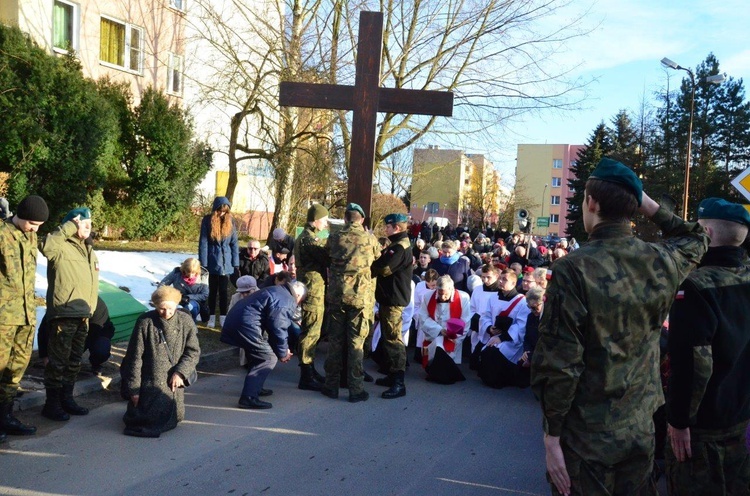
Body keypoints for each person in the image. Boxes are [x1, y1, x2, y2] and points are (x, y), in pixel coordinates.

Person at [530, 157, 709, 496]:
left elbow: (559, 363)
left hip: (587, 436)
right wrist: (644, 202)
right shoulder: (662, 260)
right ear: (632, 209)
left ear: (592, 203)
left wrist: (551, 435)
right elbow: (698, 237)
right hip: (639, 428)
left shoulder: (573, 269)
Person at [665, 198, 750, 495]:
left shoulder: (697, 286)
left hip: (702, 428)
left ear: (707, 234)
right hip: (740, 417)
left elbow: (693, 363)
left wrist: (678, 420)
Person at [40, 207, 99, 422]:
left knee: (75, 360)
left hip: (83, 314)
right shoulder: (60, 246)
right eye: (83, 223)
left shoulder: (88, 249)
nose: (88, 227)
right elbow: (45, 246)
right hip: (64, 313)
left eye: (89, 223)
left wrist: (91, 309)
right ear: (72, 224)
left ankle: (67, 398)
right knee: (59, 361)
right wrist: (68, 226)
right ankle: (51, 404)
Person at [120, 286, 200, 438]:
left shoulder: (185, 321)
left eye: (171, 308)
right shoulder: (145, 322)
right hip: (150, 380)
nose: (167, 313)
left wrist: (180, 372)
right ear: (155, 306)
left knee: (172, 416)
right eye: (162, 309)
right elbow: (134, 357)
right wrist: (134, 390)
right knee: (142, 420)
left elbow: (193, 351)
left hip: (173, 382)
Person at [321, 203, 380, 403]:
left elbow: (327, 254)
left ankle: (331, 386)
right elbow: (378, 257)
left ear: (345, 219)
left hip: (337, 296)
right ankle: (356, 389)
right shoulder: (369, 239)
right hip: (359, 298)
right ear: (361, 219)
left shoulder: (335, 236)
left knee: (335, 342)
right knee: (356, 344)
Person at [0, 195, 48, 442]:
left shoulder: (30, 236)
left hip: (26, 314)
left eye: (39, 225)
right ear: (20, 215)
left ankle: (5, 417)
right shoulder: (1, 233)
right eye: (32, 223)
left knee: (16, 369)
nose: (35, 229)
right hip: (3, 317)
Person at [220, 281, 305, 409]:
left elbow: (273, 325)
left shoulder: (277, 290)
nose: (298, 304)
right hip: (246, 326)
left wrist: (282, 348)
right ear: (298, 295)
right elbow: (278, 327)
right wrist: (283, 353)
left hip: (239, 322)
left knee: (258, 356)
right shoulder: (286, 299)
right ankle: (248, 397)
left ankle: (255, 388)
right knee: (268, 358)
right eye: (301, 301)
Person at [371, 213, 413, 399]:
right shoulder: (397, 245)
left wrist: (372, 264)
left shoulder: (399, 247)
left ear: (396, 227)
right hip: (389, 298)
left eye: (387, 227)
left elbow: (384, 268)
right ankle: (392, 374)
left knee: (394, 341)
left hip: (394, 300)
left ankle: (399, 382)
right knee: (389, 338)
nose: (385, 229)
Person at [294, 204, 329, 392]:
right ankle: (306, 375)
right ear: (315, 220)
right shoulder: (309, 239)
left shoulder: (308, 236)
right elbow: (326, 257)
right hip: (313, 290)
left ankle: (310, 370)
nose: (325, 224)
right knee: (310, 332)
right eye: (323, 220)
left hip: (314, 289)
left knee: (312, 331)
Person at [478, 269, 530, 388]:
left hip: (511, 340)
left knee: (496, 351)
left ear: (513, 283)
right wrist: (489, 328)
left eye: (504, 279)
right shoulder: (493, 298)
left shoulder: (522, 301)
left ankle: (500, 380)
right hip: (494, 335)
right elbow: (485, 315)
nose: (500, 281)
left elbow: (521, 325)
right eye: (500, 278)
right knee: (487, 350)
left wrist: (502, 338)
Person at [38, 296, 115, 377]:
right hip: (70, 329)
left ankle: (97, 363)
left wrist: (73, 358)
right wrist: (45, 356)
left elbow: (92, 335)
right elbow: (43, 330)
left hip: (98, 332)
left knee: (100, 349)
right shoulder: (61, 305)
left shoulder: (96, 304)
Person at [417, 275, 471, 384]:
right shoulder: (428, 296)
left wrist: (453, 337)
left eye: (445, 294)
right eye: (440, 294)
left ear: (452, 288)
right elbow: (423, 317)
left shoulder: (463, 297)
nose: (442, 297)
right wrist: (439, 330)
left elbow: (465, 320)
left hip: (452, 335)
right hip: (434, 333)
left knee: (445, 359)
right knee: (437, 347)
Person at [198, 196, 239, 328]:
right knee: (212, 290)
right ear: (215, 209)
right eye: (220, 210)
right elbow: (203, 243)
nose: (222, 213)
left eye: (224, 211)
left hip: (226, 263)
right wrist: (203, 263)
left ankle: (223, 317)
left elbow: (234, 244)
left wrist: (235, 263)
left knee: (223, 291)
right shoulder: (207, 221)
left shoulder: (231, 222)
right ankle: (211, 317)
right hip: (212, 261)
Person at [468, 264, 501, 370]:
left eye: (488, 277)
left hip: (493, 325)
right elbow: (472, 308)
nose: (485, 280)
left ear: (496, 276)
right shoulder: (477, 290)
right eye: (483, 277)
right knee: (475, 343)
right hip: (478, 322)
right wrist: (474, 318)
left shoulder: (500, 292)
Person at [158, 258, 209, 322]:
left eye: (193, 273)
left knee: (190, 307)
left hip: (194, 301)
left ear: (197, 271)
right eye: (188, 272)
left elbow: (205, 294)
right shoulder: (176, 273)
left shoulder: (203, 275)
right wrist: (171, 296)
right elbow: (162, 286)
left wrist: (188, 297)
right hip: (176, 299)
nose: (190, 275)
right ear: (184, 269)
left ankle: (191, 326)